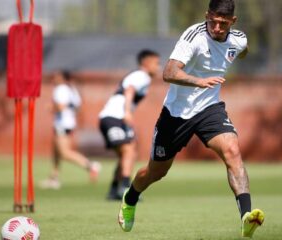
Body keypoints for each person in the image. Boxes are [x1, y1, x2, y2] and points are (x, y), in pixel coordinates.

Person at [118, 0, 265, 238]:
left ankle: (246, 217)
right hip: (177, 113)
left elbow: (241, 49)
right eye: (213, 21)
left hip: (210, 109)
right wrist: (199, 81)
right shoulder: (194, 36)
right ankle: (130, 196)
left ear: (233, 22)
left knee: (232, 151)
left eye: (223, 24)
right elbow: (169, 72)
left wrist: (240, 52)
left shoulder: (238, 39)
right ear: (207, 15)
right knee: (156, 172)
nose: (217, 27)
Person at [99, 50, 160, 200]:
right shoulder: (142, 75)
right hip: (113, 117)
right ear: (146, 62)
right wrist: (127, 112)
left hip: (116, 117)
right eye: (156, 63)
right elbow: (130, 90)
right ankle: (125, 188)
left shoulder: (142, 77)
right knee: (128, 150)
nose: (158, 67)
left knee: (128, 151)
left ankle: (114, 190)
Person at [40, 71, 101, 189]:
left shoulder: (61, 89)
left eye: (56, 76)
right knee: (56, 151)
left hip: (62, 123)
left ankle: (90, 165)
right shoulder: (72, 89)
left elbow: (61, 106)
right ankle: (54, 178)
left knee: (64, 152)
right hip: (69, 123)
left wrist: (51, 108)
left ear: (62, 78)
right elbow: (78, 108)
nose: (54, 78)